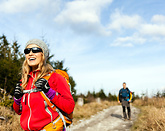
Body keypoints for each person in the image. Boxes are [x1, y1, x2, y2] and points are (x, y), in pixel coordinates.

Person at [13, 39, 75, 131]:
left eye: (35, 50)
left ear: (43, 54)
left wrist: (49, 91)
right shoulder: (24, 81)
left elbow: (69, 107)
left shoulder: (55, 77)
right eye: (27, 51)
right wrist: (17, 99)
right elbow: (18, 111)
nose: (30, 53)